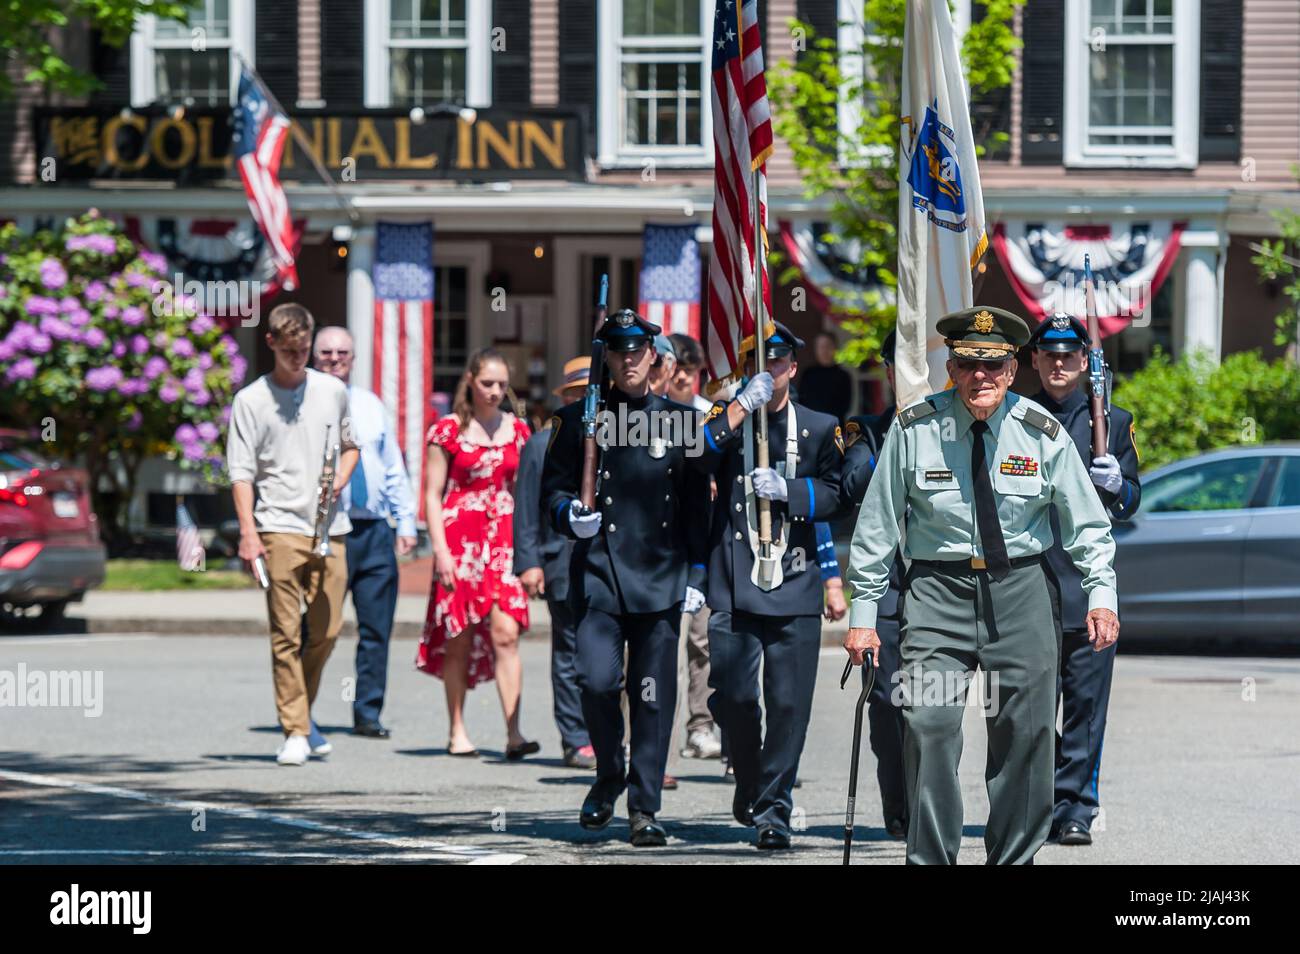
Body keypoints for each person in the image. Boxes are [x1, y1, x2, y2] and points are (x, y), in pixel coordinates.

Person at [844, 306, 1121, 865]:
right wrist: (863, 618)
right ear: (951, 366)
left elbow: (1089, 525)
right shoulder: (914, 428)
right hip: (934, 594)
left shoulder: (1040, 433)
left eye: (993, 366)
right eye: (969, 364)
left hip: (1021, 593)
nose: (981, 378)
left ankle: (1014, 858)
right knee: (928, 724)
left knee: (1028, 735)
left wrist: (1101, 595)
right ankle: (932, 859)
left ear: (1013, 370)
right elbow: (875, 528)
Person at [541, 309, 711, 847]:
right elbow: (552, 492)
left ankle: (644, 807)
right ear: (607, 359)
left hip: (660, 575)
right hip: (598, 577)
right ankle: (608, 772)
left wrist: (698, 569)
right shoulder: (575, 421)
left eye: (638, 352)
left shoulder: (677, 421)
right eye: (618, 352)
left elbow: (694, 507)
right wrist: (570, 512)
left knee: (653, 697)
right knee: (594, 680)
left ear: (654, 359)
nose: (629, 360)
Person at [698, 322, 845, 850]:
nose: (771, 369)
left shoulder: (821, 425)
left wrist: (793, 491)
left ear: (793, 368)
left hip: (796, 575)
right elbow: (694, 457)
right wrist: (738, 407)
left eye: (778, 362)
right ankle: (751, 777)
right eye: (760, 362)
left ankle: (774, 810)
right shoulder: (725, 422)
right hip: (736, 578)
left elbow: (837, 492)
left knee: (788, 703)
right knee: (734, 695)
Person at [1025, 313, 1142, 846]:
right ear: (1033, 360)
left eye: (1068, 354)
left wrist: (1116, 484)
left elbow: (1132, 498)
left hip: (1087, 586)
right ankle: (1045, 796)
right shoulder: (1014, 418)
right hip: (1027, 589)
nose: (1057, 363)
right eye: (1047, 353)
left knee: (1085, 711)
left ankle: (1075, 808)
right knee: (1025, 710)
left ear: (1083, 361)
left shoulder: (1112, 423)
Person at [227, 304, 358, 766]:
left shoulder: (332, 390)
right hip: (277, 525)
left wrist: (341, 478)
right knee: (285, 632)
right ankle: (296, 730)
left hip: (330, 526)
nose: (299, 358)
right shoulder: (251, 401)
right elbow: (240, 473)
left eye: (304, 350)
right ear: (271, 346)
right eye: (290, 352)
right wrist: (248, 532)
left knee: (327, 629)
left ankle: (301, 712)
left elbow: (350, 446)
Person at [419, 348, 538, 760]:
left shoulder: (520, 431)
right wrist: (440, 551)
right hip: (460, 540)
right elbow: (433, 495)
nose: (495, 391)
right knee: (459, 635)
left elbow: (527, 491)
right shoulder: (448, 431)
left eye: (502, 385)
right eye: (487, 383)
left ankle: (514, 732)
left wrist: (531, 551)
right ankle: (457, 729)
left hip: (505, 539)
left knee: (507, 634)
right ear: (471, 379)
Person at [312, 327, 417, 740]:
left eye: (342, 352)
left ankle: (367, 713)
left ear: (353, 358)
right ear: (313, 356)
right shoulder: (305, 402)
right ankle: (302, 712)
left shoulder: (370, 405)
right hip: (327, 528)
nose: (334, 359)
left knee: (376, 629)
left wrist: (404, 521)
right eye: (326, 353)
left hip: (373, 530)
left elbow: (392, 465)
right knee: (321, 628)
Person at [839, 329, 908, 838]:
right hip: (886, 590)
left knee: (937, 706)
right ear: (888, 370)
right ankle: (899, 803)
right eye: (898, 363)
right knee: (887, 703)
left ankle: (931, 803)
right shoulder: (867, 430)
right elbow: (853, 483)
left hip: (940, 587)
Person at [513, 357, 597, 770]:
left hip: (605, 562)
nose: (584, 400)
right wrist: (528, 562)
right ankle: (574, 737)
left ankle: (603, 732)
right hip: (559, 560)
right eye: (577, 394)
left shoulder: (610, 435)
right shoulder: (540, 443)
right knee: (568, 651)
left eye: (589, 393)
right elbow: (526, 507)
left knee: (601, 652)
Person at [665, 332, 722, 760]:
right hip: (661, 545)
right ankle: (645, 736)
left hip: (704, 544)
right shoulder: (651, 418)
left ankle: (700, 724)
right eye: (677, 368)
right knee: (652, 646)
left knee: (702, 641)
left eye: (691, 369)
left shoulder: (711, 417)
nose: (683, 376)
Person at [796, 330, 853, 424]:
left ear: (835, 348)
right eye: (821, 347)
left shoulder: (843, 376)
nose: (824, 350)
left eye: (828, 346)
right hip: (810, 426)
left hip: (834, 426)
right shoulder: (808, 374)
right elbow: (801, 402)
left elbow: (845, 407)